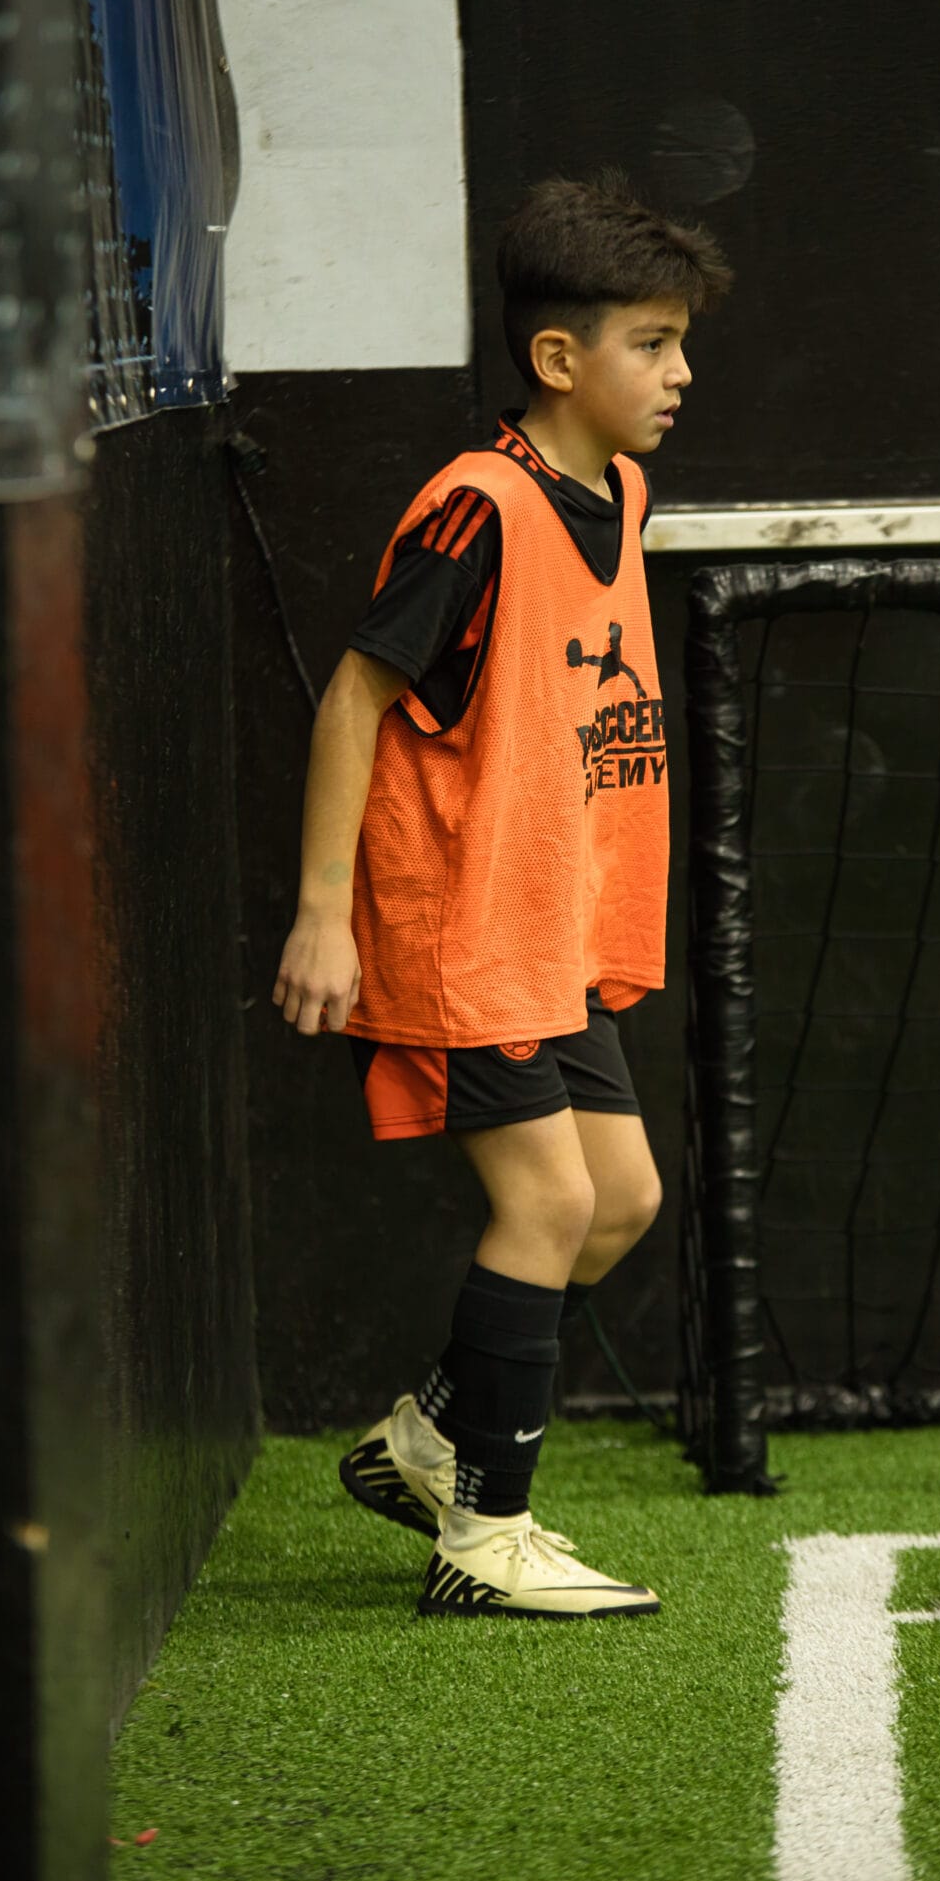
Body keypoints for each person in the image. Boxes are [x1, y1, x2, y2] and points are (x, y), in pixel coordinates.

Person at [272, 172, 732, 1618]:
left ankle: (421, 1441)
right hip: (460, 929)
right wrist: (319, 911)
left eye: (677, 342)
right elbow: (355, 697)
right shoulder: (474, 511)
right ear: (558, 360)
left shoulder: (626, 494)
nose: (679, 372)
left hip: (552, 930)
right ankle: (485, 1536)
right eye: (650, 343)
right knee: (546, 1201)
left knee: (624, 1201)